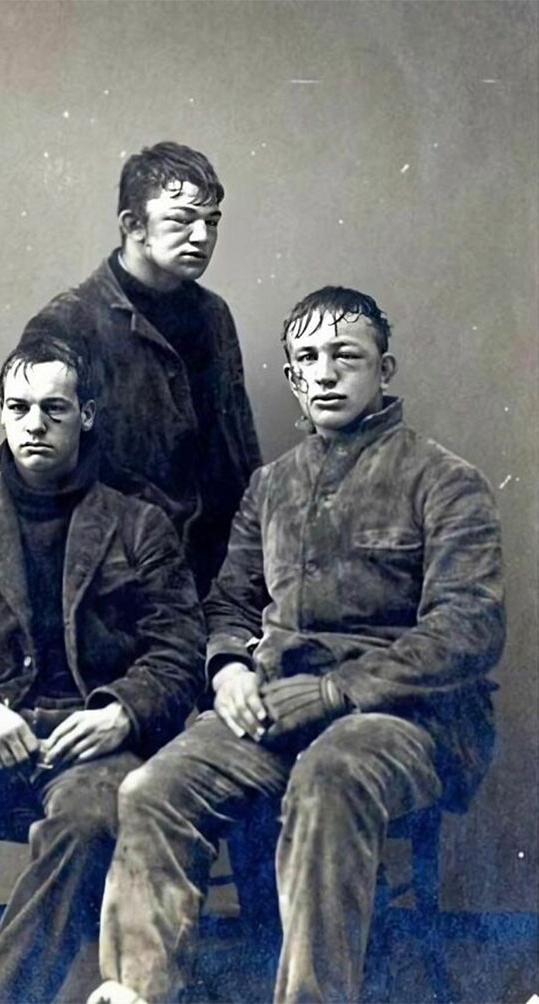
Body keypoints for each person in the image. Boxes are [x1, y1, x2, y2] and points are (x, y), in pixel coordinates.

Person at [87, 286, 506, 1004]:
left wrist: (338, 691)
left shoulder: (445, 482)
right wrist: (228, 670)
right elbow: (230, 602)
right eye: (308, 358)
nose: (325, 373)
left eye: (347, 356)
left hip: (404, 719)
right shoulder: (270, 487)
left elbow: (468, 628)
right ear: (291, 377)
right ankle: (138, 993)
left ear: (384, 369)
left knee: (329, 778)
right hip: (275, 711)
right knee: (152, 789)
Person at [0, 331, 205, 1004]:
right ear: (1, 413)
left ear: (87, 415)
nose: (34, 424)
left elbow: (179, 649)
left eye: (54, 408)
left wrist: (122, 712)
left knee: (95, 818)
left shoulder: (140, 526)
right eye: (18, 407)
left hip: (91, 742)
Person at [20, 140, 261, 596]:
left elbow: (240, 454)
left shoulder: (214, 315)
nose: (201, 237)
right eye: (181, 220)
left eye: (211, 222)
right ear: (133, 225)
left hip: (218, 575)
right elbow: (42, 475)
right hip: (116, 581)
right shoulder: (68, 324)